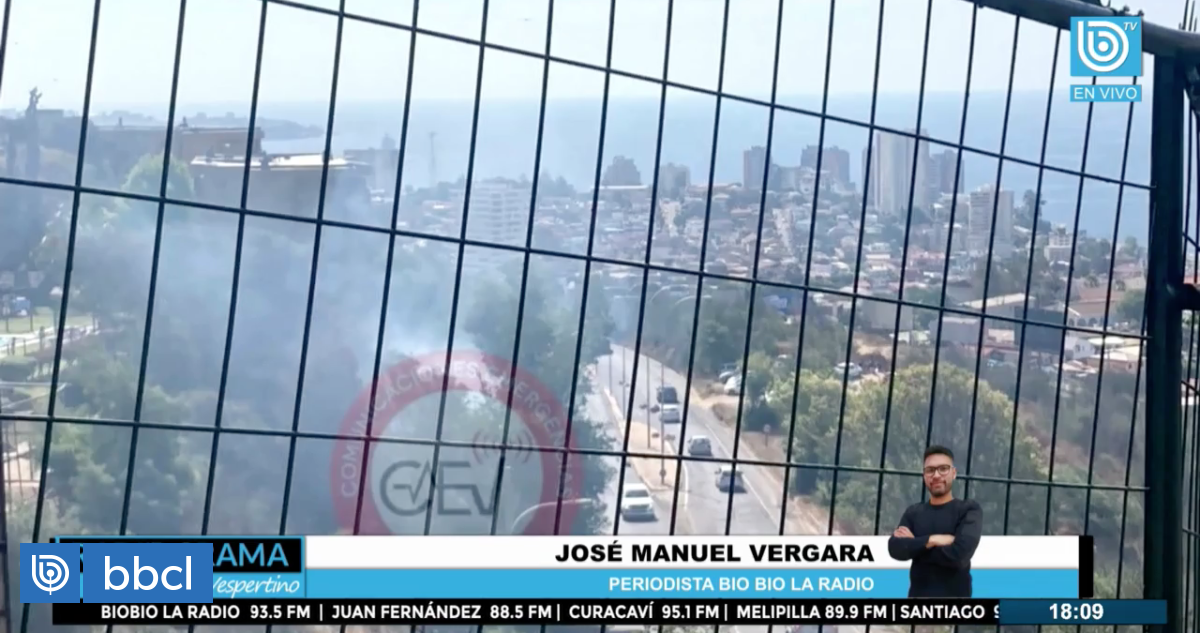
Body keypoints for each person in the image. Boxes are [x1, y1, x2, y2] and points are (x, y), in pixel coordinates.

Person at [887, 445, 983, 598]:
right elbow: (895, 548)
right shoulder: (914, 512)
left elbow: (960, 556)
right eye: (930, 470)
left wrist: (916, 545)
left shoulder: (968, 510)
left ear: (954, 473)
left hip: (955, 611)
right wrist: (933, 540)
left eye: (943, 469)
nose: (936, 475)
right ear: (924, 476)